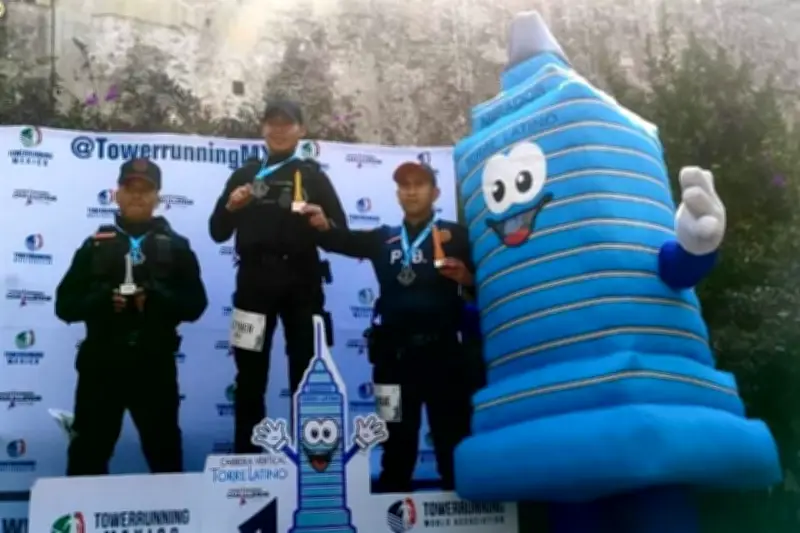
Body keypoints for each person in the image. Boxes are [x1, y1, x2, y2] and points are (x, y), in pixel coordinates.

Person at [302, 161, 476, 492]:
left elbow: (490, 283)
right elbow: (340, 240)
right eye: (404, 185)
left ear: (435, 192)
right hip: (393, 359)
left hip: (444, 356)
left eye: (419, 184)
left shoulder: (457, 237)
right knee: (395, 441)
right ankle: (393, 514)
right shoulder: (384, 238)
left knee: (451, 440)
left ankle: (459, 520)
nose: (411, 191)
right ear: (397, 194)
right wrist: (323, 226)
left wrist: (467, 278)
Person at [208, 100, 347, 454]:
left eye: (288, 123)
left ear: (301, 130)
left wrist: (323, 224)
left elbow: (341, 234)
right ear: (263, 129)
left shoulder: (314, 176)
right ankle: (246, 459)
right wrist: (231, 207)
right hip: (254, 284)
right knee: (249, 376)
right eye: (273, 123)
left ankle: (310, 457)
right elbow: (216, 232)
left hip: (302, 281)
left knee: (306, 371)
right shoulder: (244, 176)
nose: (280, 130)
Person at [55, 158, 207, 476]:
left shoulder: (176, 247)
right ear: (117, 195)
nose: (137, 196)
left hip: (154, 365)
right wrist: (103, 299)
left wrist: (153, 297)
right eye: (130, 188)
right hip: (101, 364)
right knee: (88, 452)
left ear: (157, 198)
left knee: (164, 452)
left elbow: (195, 305)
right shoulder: (94, 246)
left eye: (146, 189)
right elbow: (64, 306)